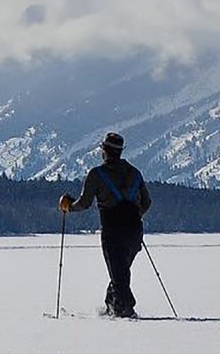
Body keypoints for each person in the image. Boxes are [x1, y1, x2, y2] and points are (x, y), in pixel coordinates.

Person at [58, 132, 152, 318]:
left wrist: (69, 207)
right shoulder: (135, 173)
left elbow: (84, 203)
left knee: (118, 273)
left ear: (104, 151)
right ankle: (111, 306)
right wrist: (133, 216)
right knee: (120, 271)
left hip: (113, 230)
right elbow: (147, 202)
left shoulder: (97, 175)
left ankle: (124, 309)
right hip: (134, 230)